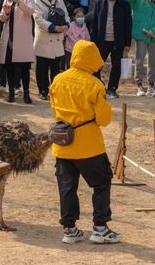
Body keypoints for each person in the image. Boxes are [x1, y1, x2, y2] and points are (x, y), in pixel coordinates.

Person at [49, 40, 120, 245]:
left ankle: (69, 230)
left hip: (62, 143)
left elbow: (54, 108)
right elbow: (104, 119)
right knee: (101, 182)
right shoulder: (94, 84)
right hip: (88, 144)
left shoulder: (58, 79)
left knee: (67, 187)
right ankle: (100, 228)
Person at [88, 0, 132, 99]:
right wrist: (93, 41)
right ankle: (99, 86)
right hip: (101, 40)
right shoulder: (99, 2)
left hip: (118, 40)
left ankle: (112, 88)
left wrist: (127, 42)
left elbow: (128, 24)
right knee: (97, 65)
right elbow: (95, 23)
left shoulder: (124, 4)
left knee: (116, 65)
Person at [0, 0, 35, 103]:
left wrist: (19, 1)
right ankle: (11, 93)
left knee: (24, 67)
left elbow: (30, 12)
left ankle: (26, 94)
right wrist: (6, 12)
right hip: (9, 37)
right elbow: (2, 18)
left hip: (23, 38)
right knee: (9, 67)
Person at [33, 0, 70, 100]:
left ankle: (54, 89)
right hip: (44, 38)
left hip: (57, 39)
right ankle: (42, 90)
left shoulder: (59, 1)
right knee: (42, 67)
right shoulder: (37, 1)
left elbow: (66, 15)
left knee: (56, 67)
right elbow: (38, 19)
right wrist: (53, 27)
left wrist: (66, 25)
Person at [126, 0, 155, 97]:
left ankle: (151, 85)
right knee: (140, 59)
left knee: (152, 61)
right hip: (140, 34)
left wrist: (154, 31)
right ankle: (139, 85)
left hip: (154, 36)